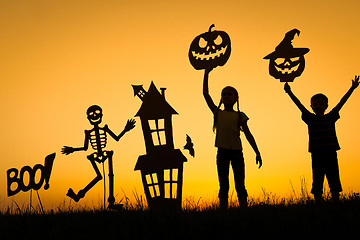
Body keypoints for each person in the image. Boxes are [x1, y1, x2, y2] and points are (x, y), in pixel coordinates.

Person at [284, 76, 359, 203]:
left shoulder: (331, 116)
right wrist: (289, 92)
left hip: (331, 154)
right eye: (315, 104)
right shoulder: (309, 118)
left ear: (326, 106)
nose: (318, 106)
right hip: (317, 155)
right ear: (311, 106)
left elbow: (342, 102)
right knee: (317, 181)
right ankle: (318, 206)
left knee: (334, 180)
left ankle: (336, 204)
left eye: (321, 104)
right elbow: (299, 105)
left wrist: (352, 88)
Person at [203, 67, 262, 209]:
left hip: (237, 153)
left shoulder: (239, 115)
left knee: (240, 184)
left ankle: (244, 212)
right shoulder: (218, 113)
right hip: (222, 153)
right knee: (223, 185)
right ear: (221, 98)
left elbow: (248, 135)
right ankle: (224, 212)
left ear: (236, 98)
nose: (226, 96)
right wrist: (206, 74)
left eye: (230, 94)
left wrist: (257, 152)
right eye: (224, 94)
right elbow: (206, 94)